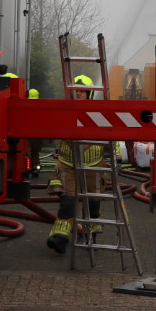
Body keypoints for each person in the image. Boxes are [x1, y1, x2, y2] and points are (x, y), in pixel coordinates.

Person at [46, 74, 105, 256]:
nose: (79, 93)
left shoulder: (99, 112)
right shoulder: (65, 109)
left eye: (82, 91)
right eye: (76, 91)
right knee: (68, 201)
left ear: (90, 94)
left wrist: (116, 155)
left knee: (93, 203)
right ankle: (60, 238)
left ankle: (91, 235)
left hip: (93, 165)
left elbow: (112, 132)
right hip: (67, 164)